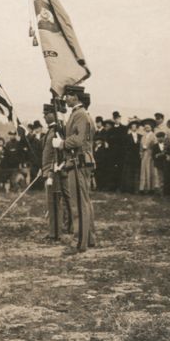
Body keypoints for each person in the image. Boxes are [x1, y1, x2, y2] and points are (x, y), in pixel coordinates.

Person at [54, 85, 96, 253]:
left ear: (76, 97)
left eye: (68, 96)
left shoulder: (79, 115)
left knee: (78, 204)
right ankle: (89, 238)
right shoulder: (79, 114)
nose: (66, 99)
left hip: (79, 162)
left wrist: (62, 144)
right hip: (79, 161)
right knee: (84, 202)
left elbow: (78, 140)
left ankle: (79, 242)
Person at [42, 103, 72, 239]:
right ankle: (62, 229)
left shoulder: (57, 131)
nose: (44, 116)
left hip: (55, 171)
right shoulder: (51, 130)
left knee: (55, 201)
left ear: (53, 114)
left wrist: (52, 171)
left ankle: (56, 233)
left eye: (46, 113)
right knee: (60, 200)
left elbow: (58, 153)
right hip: (51, 170)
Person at [139, 118, 159, 194]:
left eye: (148, 127)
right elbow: (140, 147)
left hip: (150, 154)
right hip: (144, 155)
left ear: (151, 128)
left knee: (150, 170)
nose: (146, 128)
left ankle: (151, 188)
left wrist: (150, 148)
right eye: (145, 127)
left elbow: (156, 146)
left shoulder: (153, 136)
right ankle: (142, 188)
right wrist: (141, 152)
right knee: (143, 170)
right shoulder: (143, 136)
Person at [120, 118, 141, 194]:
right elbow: (125, 147)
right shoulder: (127, 136)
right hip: (129, 156)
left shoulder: (140, 136)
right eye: (132, 126)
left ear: (137, 127)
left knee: (136, 172)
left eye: (135, 126)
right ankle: (128, 189)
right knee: (129, 172)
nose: (134, 128)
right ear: (131, 128)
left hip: (137, 157)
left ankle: (136, 189)